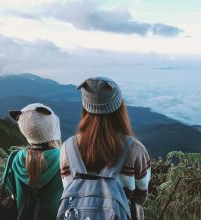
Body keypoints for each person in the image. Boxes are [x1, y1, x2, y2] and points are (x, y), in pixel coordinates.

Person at [59, 77, 151, 220]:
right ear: (119, 108)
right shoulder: (135, 149)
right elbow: (141, 195)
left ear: (85, 107)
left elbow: (68, 188)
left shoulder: (68, 148)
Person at [3, 103, 63, 220]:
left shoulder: (15, 157)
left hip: (23, 215)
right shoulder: (64, 158)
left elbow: (10, 187)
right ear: (52, 128)